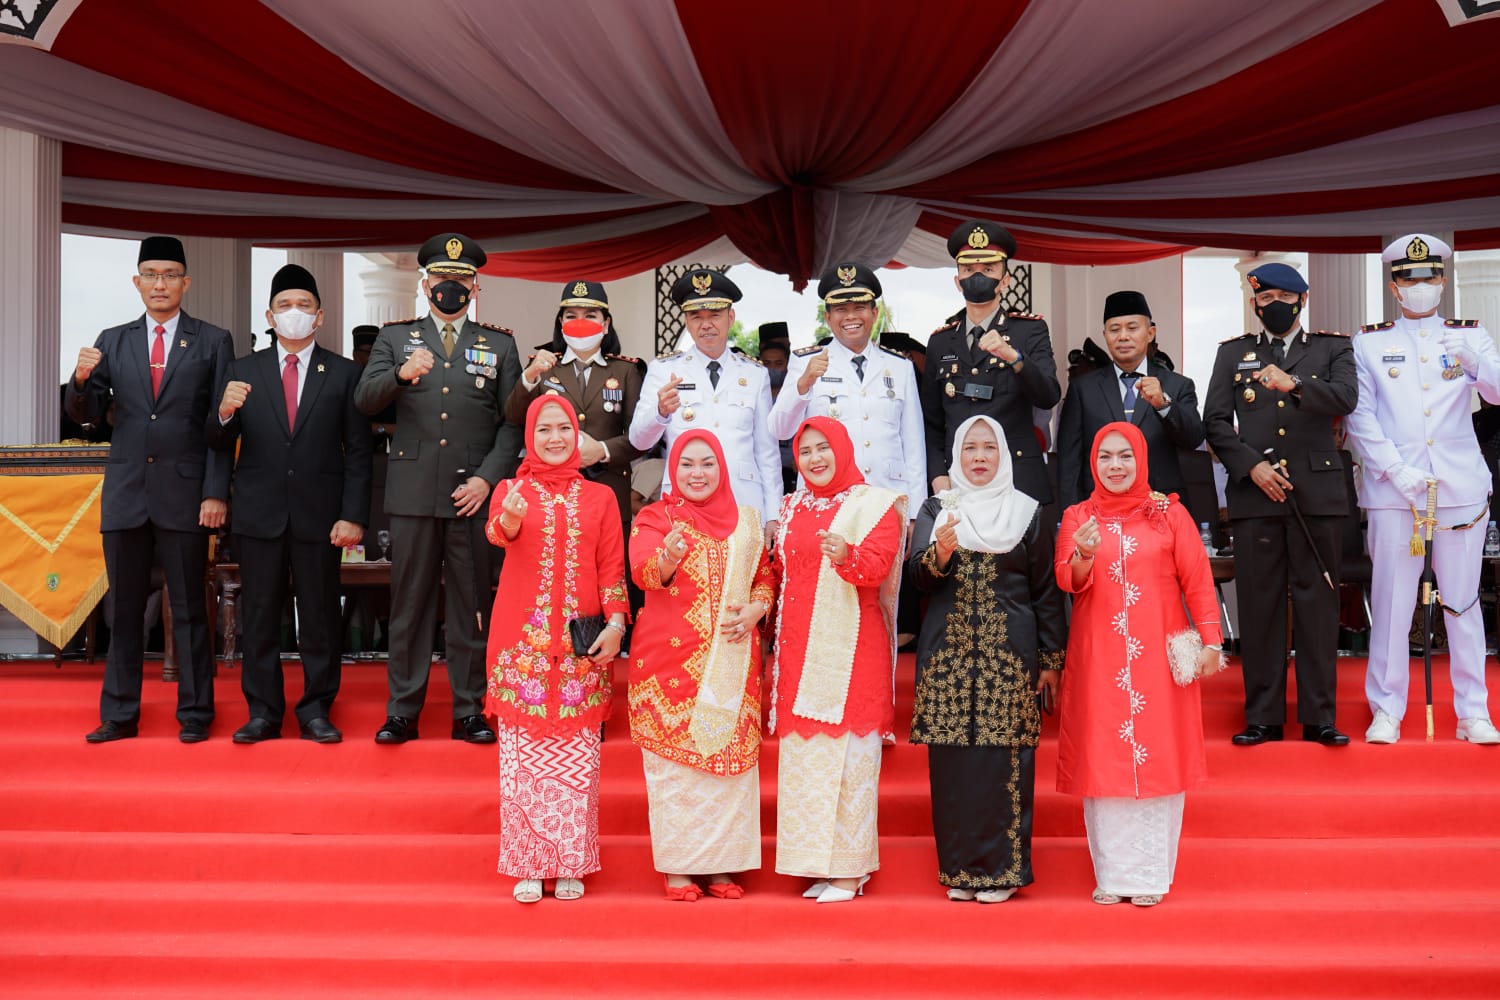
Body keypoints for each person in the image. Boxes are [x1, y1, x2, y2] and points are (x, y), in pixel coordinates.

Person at [354, 233, 522, 745]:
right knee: (409, 605)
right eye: (443, 280)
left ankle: (469, 709)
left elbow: (513, 422)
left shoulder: (499, 344)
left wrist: (486, 479)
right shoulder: (394, 337)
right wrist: (400, 377)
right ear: (426, 283)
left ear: (475, 286)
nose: (451, 288)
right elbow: (364, 401)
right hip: (411, 493)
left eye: (462, 280)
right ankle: (402, 710)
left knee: (471, 605)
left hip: (472, 495)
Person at [67, 236, 233, 744]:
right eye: (151, 275)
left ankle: (196, 713)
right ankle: (119, 714)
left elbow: (223, 428)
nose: (160, 284)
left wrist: (215, 492)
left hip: (186, 494)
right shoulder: (112, 340)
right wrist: (78, 380)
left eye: (170, 274)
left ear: (185, 282)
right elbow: (86, 415)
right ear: (137, 283)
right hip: (126, 493)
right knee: (124, 607)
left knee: (189, 607)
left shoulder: (212, 340)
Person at [1055, 422, 1225, 907]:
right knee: (1104, 757)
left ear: (1141, 460)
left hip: (1158, 653)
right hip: (1099, 657)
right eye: (1105, 456)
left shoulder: (1169, 514)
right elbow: (1067, 580)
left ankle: (1150, 875)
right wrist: (1084, 554)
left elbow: (1197, 580)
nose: (1114, 466)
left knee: (1160, 756)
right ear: (1093, 463)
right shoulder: (1076, 516)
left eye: (1124, 456)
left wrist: (1211, 640)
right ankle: (1113, 876)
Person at [1344, 234, 1500, 746]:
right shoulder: (1367, 342)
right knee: (1392, 601)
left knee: (1461, 601)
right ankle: (1386, 708)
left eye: (1430, 278)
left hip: (1458, 488)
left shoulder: (1470, 335)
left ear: (1442, 282)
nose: (1421, 287)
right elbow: (1360, 416)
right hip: (1395, 491)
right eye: (1409, 279)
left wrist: (1477, 366)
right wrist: (1394, 469)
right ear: (1394, 286)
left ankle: (1472, 710)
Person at [208, 264, 373, 744]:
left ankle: (317, 709)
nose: (294, 313)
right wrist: (223, 411)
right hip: (259, 514)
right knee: (259, 615)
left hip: (322, 518)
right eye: (285, 306)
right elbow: (215, 440)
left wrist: (354, 515)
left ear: (319, 316)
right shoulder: (242, 371)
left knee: (319, 615)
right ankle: (262, 712)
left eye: (303, 306)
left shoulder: (344, 374)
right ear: (269, 314)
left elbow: (359, 453)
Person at [908, 416, 1065, 903]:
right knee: (953, 767)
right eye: (970, 448)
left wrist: (1050, 659)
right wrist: (940, 556)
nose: (979, 458)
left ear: (1003, 455)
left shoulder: (1028, 512)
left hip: (1009, 656)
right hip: (948, 657)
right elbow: (917, 582)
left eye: (988, 449)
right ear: (957, 455)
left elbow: (1045, 592)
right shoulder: (939, 508)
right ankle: (960, 871)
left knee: (1006, 762)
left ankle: (1002, 872)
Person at [1202, 262, 1356, 747]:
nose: (1273, 307)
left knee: (1316, 604)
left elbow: (1348, 397)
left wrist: (1297, 386)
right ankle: (1263, 717)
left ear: (1302, 301)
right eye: (1264, 300)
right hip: (1256, 495)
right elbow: (1215, 422)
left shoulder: (1332, 346)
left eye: (1282, 298)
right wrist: (1251, 467)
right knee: (1260, 605)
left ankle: (1320, 717)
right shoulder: (1233, 354)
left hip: (1317, 495)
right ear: (1255, 305)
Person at [484, 396, 628, 902]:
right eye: (543, 429)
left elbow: (612, 568)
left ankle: (570, 861)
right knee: (523, 761)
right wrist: (510, 520)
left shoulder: (601, 499)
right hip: (521, 647)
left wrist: (616, 624)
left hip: (580, 647)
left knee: (577, 758)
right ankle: (527, 861)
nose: (553, 438)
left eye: (563, 428)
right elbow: (495, 536)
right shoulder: (510, 489)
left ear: (577, 434)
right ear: (529, 435)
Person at [628, 430, 775, 900]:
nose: (697, 473)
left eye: (707, 463)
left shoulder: (747, 522)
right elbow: (643, 570)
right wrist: (668, 555)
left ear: (722, 469)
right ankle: (679, 867)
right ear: (674, 468)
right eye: (687, 463)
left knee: (727, 768)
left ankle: (721, 866)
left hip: (733, 666)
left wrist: (757, 609)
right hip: (668, 668)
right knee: (677, 771)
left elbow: (765, 575)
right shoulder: (656, 517)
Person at [771, 417, 903, 903]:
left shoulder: (873, 504)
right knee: (809, 761)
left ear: (843, 448)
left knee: (851, 760)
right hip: (799, 647)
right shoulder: (791, 506)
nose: (815, 458)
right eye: (805, 451)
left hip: (853, 648)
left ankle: (850, 871)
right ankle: (818, 864)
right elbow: (778, 572)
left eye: (824, 448)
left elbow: (878, 569)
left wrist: (847, 554)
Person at [628, 269, 780, 546]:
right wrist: (660, 413)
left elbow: (767, 453)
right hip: (686, 503)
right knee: (690, 586)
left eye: (715, 315)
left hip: (742, 501)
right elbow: (638, 440)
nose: (706, 324)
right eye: (696, 316)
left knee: (742, 586)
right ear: (686, 321)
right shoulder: (664, 370)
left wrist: (773, 515)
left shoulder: (755, 374)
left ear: (731, 318)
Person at [771, 262, 926, 525]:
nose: (851, 317)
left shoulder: (900, 367)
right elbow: (779, 430)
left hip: (887, 500)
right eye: (841, 309)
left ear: (875, 313)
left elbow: (913, 446)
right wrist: (804, 384)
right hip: (825, 503)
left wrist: (915, 515)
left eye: (859, 308)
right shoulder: (805, 363)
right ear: (828, 317)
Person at [921, 220, 1060, 502]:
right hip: (958, 482)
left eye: (988, 269)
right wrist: (938, 477)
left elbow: (1048, 396)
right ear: (957, 281)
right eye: (968, 270)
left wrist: (1014, 358)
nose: (977, 276)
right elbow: (931, 422)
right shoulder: (940, 341)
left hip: (1017, 480)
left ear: (1005, 280)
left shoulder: (1028, 331)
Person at [505, 280, 643, 530]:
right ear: (561, 322)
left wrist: (602, 449)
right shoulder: (543, 367)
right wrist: (531, 375)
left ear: (606, 324)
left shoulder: (627, 371)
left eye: (590, 315)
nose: (580, 322)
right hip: (551, 491)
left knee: (610, 566)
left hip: (608, 487)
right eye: (571, 316)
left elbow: (640, 437)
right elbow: (515, 416)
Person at [1057, 291, 1204, 508]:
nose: (1123, 336)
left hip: (1160, 506)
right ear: (1105, 334)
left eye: (1132, 328)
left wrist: (1164, 404)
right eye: (1114, 329)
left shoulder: (1177, 385)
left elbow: (1193, 438)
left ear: (1150, 332)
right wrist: (1071, 516)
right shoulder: (1083, 389)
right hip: (1100, 507)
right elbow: (1069, 460)